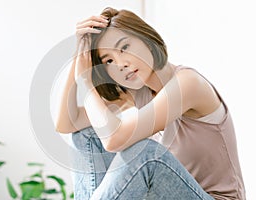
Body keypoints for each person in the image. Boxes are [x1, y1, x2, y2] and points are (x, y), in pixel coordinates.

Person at [55, 7, 246, 200]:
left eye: (124, 48)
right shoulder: (137, 93)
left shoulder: (189, 83)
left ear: (146, 38)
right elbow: (68, 123)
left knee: (146, 153)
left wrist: (86, 82)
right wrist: (79, 56)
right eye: (109, 60)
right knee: (87, 135)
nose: (120, 63)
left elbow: (114, 140)